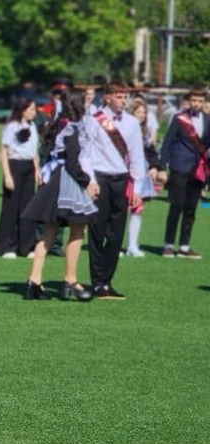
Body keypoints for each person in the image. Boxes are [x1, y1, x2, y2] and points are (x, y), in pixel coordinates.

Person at [21, 92, 98, 301]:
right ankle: (70, 280)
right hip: (68, 181)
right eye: (86, 102)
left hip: (57, 178)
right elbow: (73, 163)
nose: (89, 105)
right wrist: (87, 182)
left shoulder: (60, 124)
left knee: (49, 231)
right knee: (78, 227)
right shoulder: (72, 128)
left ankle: (34, 281)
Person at [80, 80, 147, 299]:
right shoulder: (93, 120)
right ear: (107, 97)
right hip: (100, 178)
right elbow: (86, 154)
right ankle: (97, 281)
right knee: (97, 231)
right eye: (119, 96)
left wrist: (137, 187)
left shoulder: (131, 123)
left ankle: (107, 281)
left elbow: (137, 156)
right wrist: (90, 181)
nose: (123, 100)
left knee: (116, 234)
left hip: (121, 179)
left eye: (125, 96)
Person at [158, 86, 208, 260]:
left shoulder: (208, 119)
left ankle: (184, 246)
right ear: (189, 100)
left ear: (204, 102)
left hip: (199, 169)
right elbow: (167, 143)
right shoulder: (180, 119)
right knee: (176, 205)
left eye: (200, 101)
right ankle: (169, 245)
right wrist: (161, 167)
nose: (196, 104)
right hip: (179, 166)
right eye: (194, 100)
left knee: (191, 208)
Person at [0, 99, 41, 259]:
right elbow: (3, 151)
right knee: (11, 207)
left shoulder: (33, 126)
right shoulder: (12, 126)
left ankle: (26, 246)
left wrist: (37, 169)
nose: (34, 112)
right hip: (14, 166)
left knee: (27, 207)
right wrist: (7, 175)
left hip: (29, 167)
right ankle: (7, 246)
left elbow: (34, 151)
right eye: (32, 109)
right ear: (23, 110)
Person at [123, 97, 161, 258]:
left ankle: (132, 245)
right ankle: (115, 245)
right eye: (139, 112)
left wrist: (154, 166)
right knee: (121, 209)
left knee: (138, 209)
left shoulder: (145, 131)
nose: (142, 115)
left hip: (141, 172)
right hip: (125, 171)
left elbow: (151, 150)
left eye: (144, 112)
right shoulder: (124, 128)